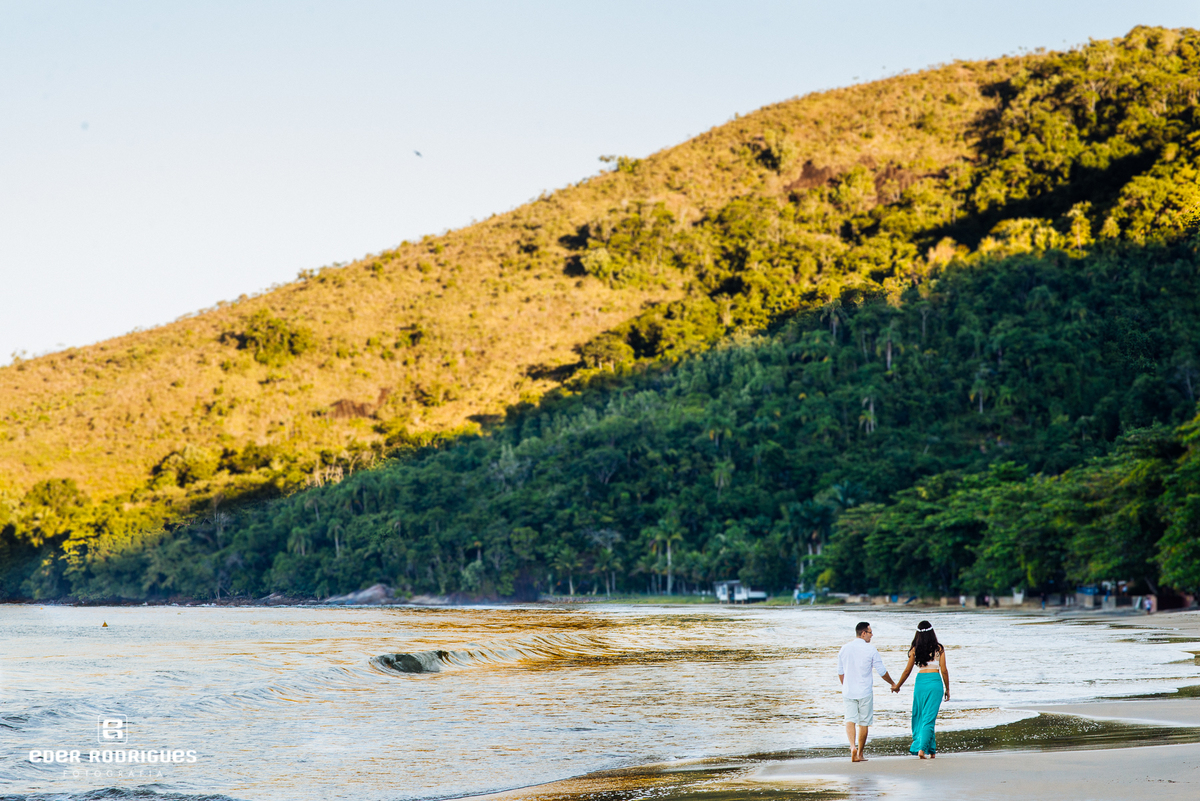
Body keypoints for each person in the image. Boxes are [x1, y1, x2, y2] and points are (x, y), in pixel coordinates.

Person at [837, 621, 897, 762]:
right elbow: (881, 671)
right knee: (863, 722)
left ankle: (852, 747)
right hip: (864, 692)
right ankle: (860, 754)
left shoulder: (844, 648)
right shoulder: (870, 650)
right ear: (863, 633)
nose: (872, 635)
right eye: (870, 632)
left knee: (850, 720)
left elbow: (840, 672)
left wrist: (846, 685)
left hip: (848, 691)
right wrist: (893, 683)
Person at [892, 620, 951, 759]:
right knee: (929, 718)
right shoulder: (939, 648)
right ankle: (922, 749)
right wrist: (948, 688)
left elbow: (907, 671)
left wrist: (898, 685)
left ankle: (931, 750)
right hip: (935, 683)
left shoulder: (915, 649)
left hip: (920, 684)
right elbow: (944, 670)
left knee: (921, 716)